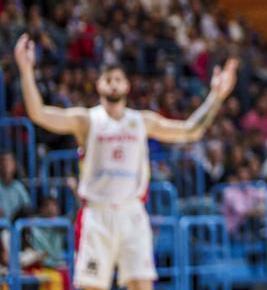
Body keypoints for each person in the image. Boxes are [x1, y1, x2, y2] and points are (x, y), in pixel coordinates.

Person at [11, 33, 237, 290]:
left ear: (127, 86)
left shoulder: (142, 121)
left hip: (132, 213)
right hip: (97, 213)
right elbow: (38, 113)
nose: (114, 85)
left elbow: (190, 130)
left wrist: (216, 97)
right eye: (108, 80)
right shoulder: (86, 121)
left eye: (118, 79)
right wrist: (26, 69)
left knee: (142, 285)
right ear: (99, 86)